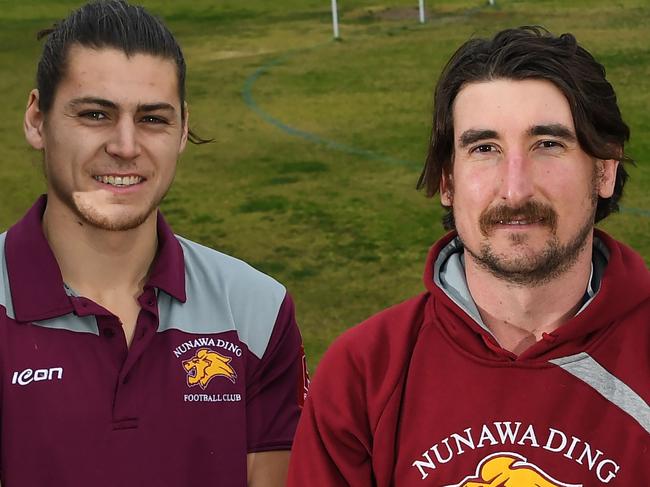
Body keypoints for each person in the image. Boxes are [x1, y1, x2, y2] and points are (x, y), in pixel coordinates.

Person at [287, 26, 649, 486]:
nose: (515, 189)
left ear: (605, 170)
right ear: (447, 181)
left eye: (548, 144)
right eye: (484, 149)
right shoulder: (364, 371)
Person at [0, 1, 308, 485]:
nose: (125, 146)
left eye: (152, 119)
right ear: (38, 119)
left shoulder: (257, 311)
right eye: (96, 114)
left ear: (183, 128)